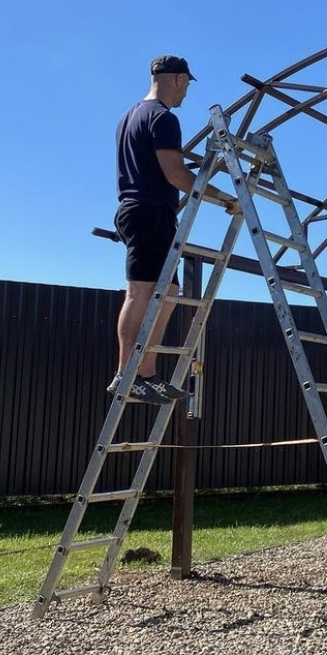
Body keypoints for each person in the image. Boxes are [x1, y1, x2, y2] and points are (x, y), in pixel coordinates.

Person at [110, 54, 233, 404]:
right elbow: (176, 174)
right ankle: (125, 376)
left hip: (144, 212)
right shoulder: (163, 118)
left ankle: (145, 374)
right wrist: (223, 197)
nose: (185, 94)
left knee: (168, 293)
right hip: (148, 211)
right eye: (186, 85)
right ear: (179, 79)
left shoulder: (129, 117)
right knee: (140, 294)